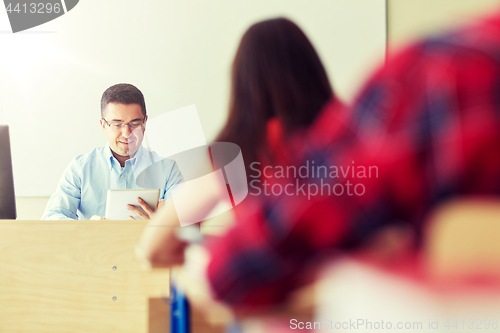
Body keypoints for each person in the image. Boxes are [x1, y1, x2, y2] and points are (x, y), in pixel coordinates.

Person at [136, 17, 342, 266]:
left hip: (269, 295)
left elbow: (153, 249)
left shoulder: (231, 153)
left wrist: (233, 245)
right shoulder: (350, 129)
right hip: (348, 293)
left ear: (243, 81)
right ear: (311, 70)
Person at [42, 83, 183, 220]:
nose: (127, 133)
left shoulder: (168, 170)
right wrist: (87, 228)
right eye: (117, 124)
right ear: (103, 125)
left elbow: (187, 222)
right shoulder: (80, 168)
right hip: (94, 243)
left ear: (145, 123)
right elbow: (51, 217)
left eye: (134, 124)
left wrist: (160, 226)